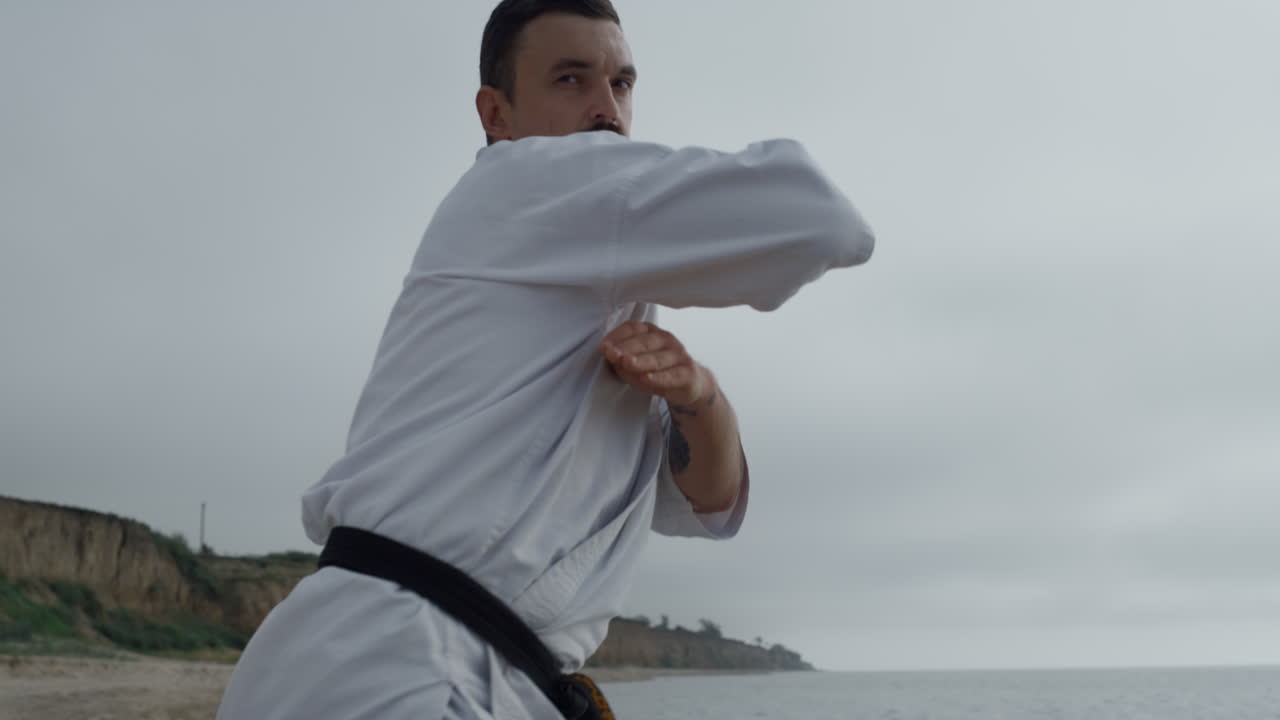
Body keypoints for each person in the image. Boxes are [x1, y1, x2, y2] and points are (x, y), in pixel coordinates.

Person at [215, 1, 874, 718]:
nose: (606, 110)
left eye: (622, 84)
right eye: (571, 80)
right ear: (496, 115)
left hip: (410, 665)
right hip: (397, 666)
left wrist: (697, 397)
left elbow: (708, 502)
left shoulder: (585, 282)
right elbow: (823, 219)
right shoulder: (527, 186)